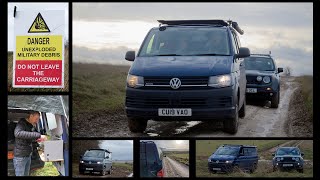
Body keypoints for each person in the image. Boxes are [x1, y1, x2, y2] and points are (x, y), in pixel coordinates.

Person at [13, 111, 47, 176]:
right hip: (20, 157)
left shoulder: (30, 125)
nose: (37, 121)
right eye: (36, 119)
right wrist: (38, 135)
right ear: (31, 116)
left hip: (27, 155)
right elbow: (18, 133)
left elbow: (29, 136)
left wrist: (38, 140)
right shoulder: (22, 123)